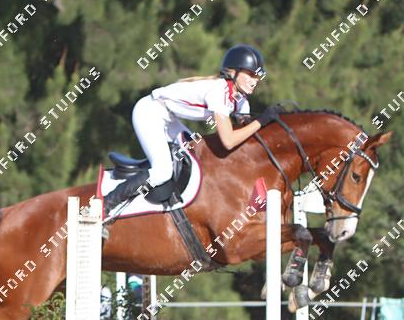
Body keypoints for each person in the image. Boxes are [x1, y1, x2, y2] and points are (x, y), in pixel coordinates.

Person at [103, 44, 286, 216]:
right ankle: (106, 205)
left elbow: (247, 134)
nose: (255, 81)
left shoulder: (241, 101)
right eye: (250, 75)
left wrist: (272, 124)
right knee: (163, 171)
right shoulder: (218, 91)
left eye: (257, 77)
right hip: (149, 111)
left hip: (169, 118)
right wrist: (262, 121)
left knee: (198, 155)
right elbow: (229, 141)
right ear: (233, 72)